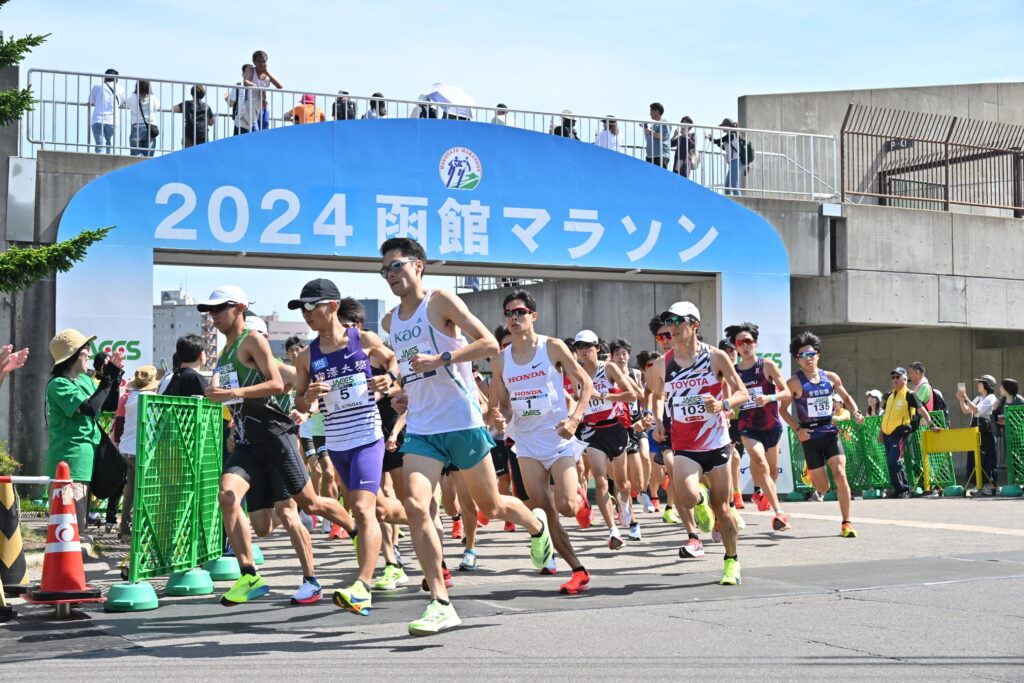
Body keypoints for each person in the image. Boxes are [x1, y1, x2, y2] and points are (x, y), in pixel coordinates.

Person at [379, 237, 553, 637]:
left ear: (418, 267)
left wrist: (442, 358)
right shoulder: (391, 321)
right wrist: (404, 389)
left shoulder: (439, 302)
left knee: (489, 508)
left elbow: (489, 344)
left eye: (397, 266)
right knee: (417, 505)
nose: (391, 275)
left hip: (462, 421)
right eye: (384, 269)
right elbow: (411, 368)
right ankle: (440, 602)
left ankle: (536, 526)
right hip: (423, 428)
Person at [198, 285, 357, 607]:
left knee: (307, 506)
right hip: (246, 441)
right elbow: (240, 388)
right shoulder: (225, 352)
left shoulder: (252, 340)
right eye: (209, 310)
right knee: (231, 499)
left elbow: (275, 380)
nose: (213, 315)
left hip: (274, 436)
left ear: (239, 308)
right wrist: (224, 405)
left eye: (219, 308)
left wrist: (238, 395)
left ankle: (355, 536)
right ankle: (250, 576)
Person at [292, 282, 397, 616]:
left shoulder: (361, 339)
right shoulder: (307, 355)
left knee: (364, 511)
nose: (307, 315)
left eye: (313, 307)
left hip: (367, 435)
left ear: (333, 306)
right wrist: (308, 396)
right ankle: (423, 523)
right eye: (302, 309)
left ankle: (362, 586)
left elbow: (392, 360)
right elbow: (297, 397)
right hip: (336, 442)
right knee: (379, 511)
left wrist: (389, 377)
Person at [489, 290, 594, 593]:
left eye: (520, 312)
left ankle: (578, 497)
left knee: (566, 507)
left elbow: (584, 382)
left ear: (533, 316)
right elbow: (499, 404)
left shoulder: (552, 347)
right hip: (526, 443)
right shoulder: (500, 360)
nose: (514, 317)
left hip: (558, 438)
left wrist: (574, 418)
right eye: (509, 313)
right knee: (545, 512)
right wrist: (497, 416)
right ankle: (578, 571)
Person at [648, 302, 748, 586]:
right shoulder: (661, 364)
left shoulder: (715, 358)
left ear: (695, 325)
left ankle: (731, 562)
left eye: (680, 321)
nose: (674, 326)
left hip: (716, 443)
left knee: (724, 508)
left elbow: (742, 392)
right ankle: (700, 500)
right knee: (688, 496)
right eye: (670, 321)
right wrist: (656, 421)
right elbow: (655, 396)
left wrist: (723, 404)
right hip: (684, 444)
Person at [46, 329, 124, 554]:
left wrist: (114, 377)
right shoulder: (59, 384)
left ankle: (71, 580)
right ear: (72, 356)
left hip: (85, 461)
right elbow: (89, 408)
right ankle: (66, 582)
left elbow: (107, 405)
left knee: (77, 529)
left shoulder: (83, 380)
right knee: (71, 529)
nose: (90, 353)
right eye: (85, 349)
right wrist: (107, 378)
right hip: (68, 462)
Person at [779, 331, 863, 538]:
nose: (808, 358)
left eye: (811, 353)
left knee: (841, 474)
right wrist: (798, 429)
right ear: (797, 359)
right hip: (810, 436)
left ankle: (846, 523)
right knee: (822, 487)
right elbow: (782, 410)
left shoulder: (831, 377)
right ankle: (813, 474)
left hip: (830, 431)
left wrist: (856, 411)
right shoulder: (794, 383)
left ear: (818, 355)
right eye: (803, 355)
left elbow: (846, 395)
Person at [572, 329, 639, 549]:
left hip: (615, 428)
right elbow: (577, 402)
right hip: (592, 431)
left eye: (587, 346)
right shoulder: (576, 375)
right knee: (600, 481)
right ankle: (613, 531)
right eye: (579, 347)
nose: (583, 351)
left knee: (623, 483)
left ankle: (625, 506)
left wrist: (602, 395)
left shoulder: (608, 368)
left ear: (597, 348)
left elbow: (632, 395)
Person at [726, 322, 792, 531]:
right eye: (740, 343)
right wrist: (727, 408)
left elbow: (787, 392)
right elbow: (730, 397)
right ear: (736, 347)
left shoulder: (767, 366)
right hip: (748, 425)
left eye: (748, 341)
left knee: (771, 473)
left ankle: (760, 493)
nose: (744, 346)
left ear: (756, 343)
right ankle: (779, 514)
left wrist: (769, 397)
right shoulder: (734, 372)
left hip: (771, 424)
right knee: (761, 464)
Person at [112, 366, 160, 539]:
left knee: (130, 491)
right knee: (147, 491)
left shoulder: (130, 397)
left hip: (126, 450)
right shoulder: (153, 399)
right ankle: (144, 532)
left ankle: (125, 530)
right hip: (142, 451)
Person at [879, 367, 942, 498]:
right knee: (890, 463)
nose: (895, 380)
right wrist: (881, 432)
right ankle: (898, 489)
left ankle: (904, 489)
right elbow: (885, 415)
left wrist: (932, 425)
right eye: (893, 377)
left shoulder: (909, 394)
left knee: (894, 462)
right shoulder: (890, 395)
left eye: (898, 377)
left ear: (905, 379)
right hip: (887, 434)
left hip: (899, 433)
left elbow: (921, 410)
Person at [957, 374, 1000, 495]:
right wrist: (961, 399)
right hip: (976, 431)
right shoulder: (979, 397)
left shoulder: (991, 397)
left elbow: (976, 410)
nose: (978, 384)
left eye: (980, 382)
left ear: (987, 385)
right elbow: (966, 410)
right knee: (974, 458)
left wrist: (966, 399)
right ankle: (979, 485)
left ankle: (989, 486)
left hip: (986, 433)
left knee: (987, 458)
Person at [87, 69, 125, 153]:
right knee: (108, 142)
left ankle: (99, 163)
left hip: (98, 119)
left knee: (99, 145)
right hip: (112, 121)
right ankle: (109, 158)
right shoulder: (120, 89)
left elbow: (91, 102)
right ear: (117, 79)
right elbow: (121, 104)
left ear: (105, 77)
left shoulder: (97, 86)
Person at [245, 51, 284, 131]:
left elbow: (280, 87)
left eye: (264, 61)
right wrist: (257, 87)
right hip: (252, 106)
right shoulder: (251, 70)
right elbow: (246, 81)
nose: (261, 64)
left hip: (264, 107)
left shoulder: (267, 75)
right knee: (255, 130)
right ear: (254, 62)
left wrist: (267, 73)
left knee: (264, 130)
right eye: (259, 61)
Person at [707, 118, 744, 195]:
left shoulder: (731, 134)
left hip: (735, 161)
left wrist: (710, 138)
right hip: (733, 162)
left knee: (734, 185)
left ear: (727, 125)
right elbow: (724, 146)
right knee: (727, 186)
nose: (722, 128)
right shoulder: (731, 135)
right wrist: (713, 140)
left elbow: (718, 141)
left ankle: (738, 203)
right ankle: (729, 202)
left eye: (723, 126)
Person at [126, 80, 159, 157]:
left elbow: (126, 104)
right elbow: (157, 107)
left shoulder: (133, 96)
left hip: (136, 126)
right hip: (151, 127)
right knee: (148, 154)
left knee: (135, 154)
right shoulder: (153, 98)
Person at [226, 64, 257, 135]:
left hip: (241, 122)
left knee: (238, 144)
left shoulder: (238, 86)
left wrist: (226, 97)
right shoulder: (256, 87)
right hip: (249, 121)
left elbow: (230, 103)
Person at [643, 102, 671, 168]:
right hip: (650, 156)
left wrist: (650, 131)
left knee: (660, 177)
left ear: (657, 111)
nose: (650, 114)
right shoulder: (653, 125)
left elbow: (663, 137)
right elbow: (648, 140)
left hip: (660, 156)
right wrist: (645, 129)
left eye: (651, 111)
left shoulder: (664, 122)